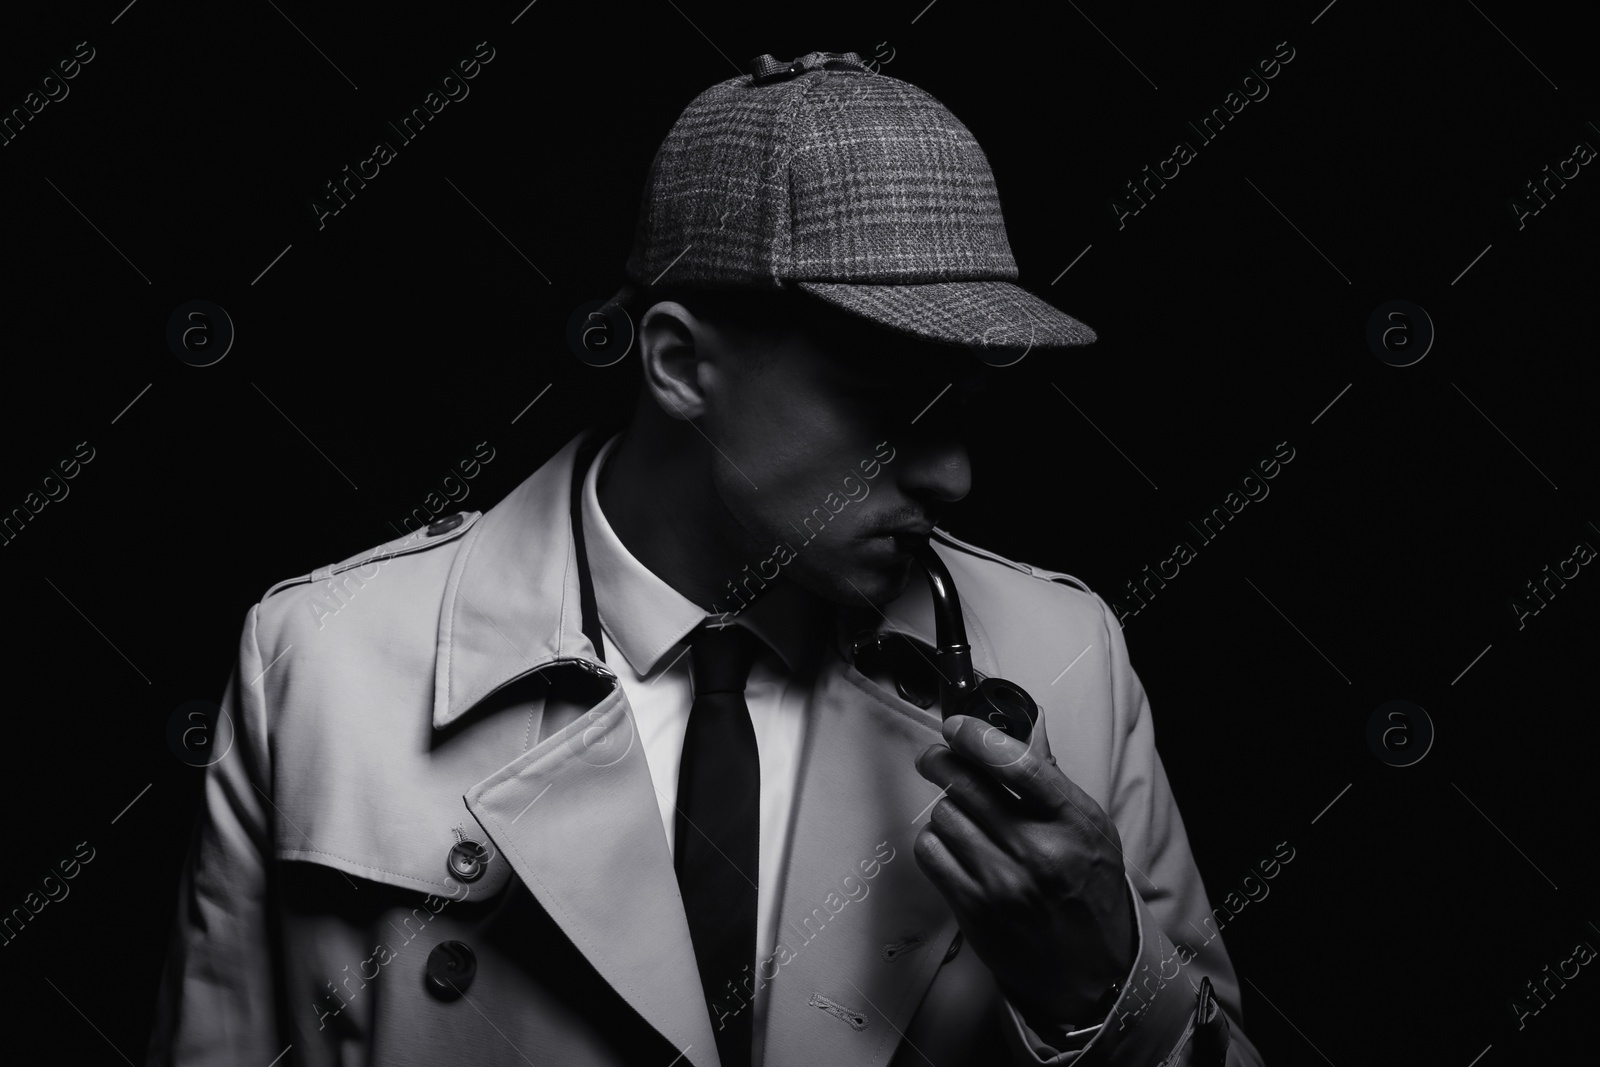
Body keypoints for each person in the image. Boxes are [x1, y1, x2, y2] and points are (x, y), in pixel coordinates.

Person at [147, 50, 1265, 1066]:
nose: (954, 475)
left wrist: (1104, 993)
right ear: (679, 363)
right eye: (890, 403)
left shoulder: (1066, 658)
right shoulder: (326, 661)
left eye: (963, 405)